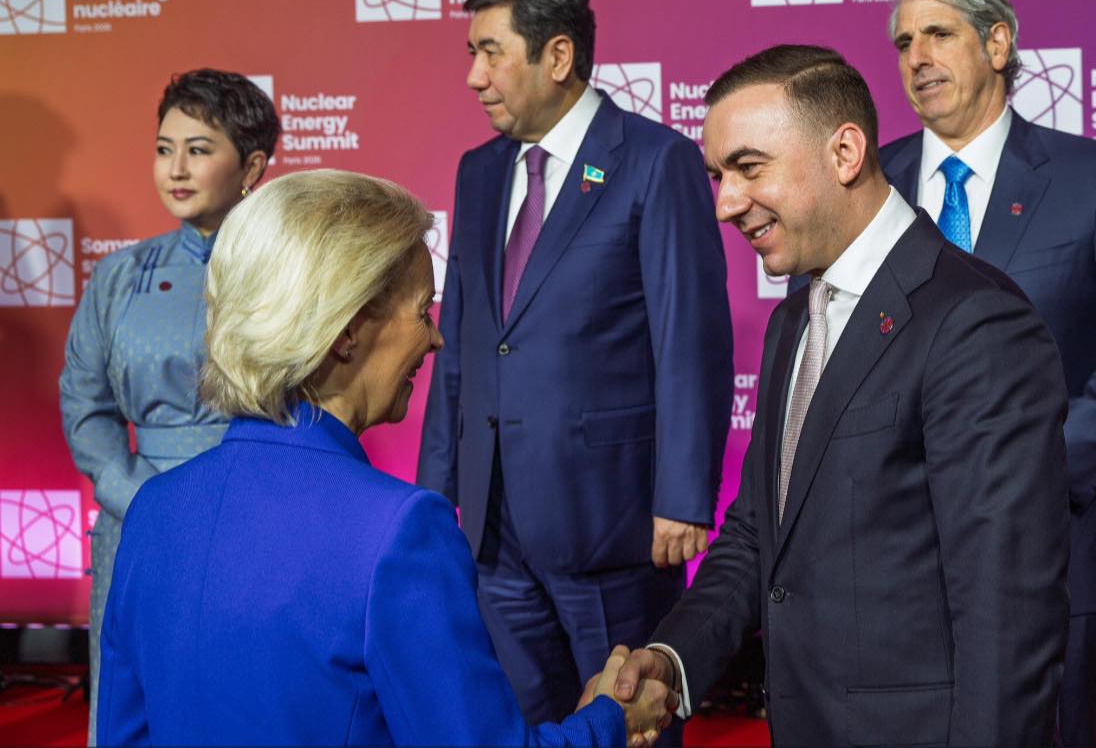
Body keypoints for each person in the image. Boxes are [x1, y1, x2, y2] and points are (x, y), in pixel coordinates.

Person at [96, 169, 676, 746]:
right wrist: (609, 722)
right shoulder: (399, 532)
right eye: (422, 311)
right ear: (348, 330)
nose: (436, 339)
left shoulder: (154, 510)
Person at [614, 45, 1072, 746]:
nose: (725, 204)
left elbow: (1006, 622)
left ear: (846, 152)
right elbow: (759, 531)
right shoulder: (793, 321)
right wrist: (674, 661)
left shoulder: (975, 322)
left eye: (748, 168)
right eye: (717, 177)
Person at [879, 0, 1096, 746]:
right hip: (897, 554)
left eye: (938, 34)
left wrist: (1040, 464)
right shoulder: (870, 185)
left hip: (1059, 548)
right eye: (903, 42)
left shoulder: (1095, 178)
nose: (917, 57)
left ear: (998, 44)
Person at [416, 0, 733, 733]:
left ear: (557, 56)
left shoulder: (654, 160)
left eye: (491, 53)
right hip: (492, 531)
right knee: (522, 727)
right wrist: (435, 493)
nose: (473, 77)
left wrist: (683, 497)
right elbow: (463, 344)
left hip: (611, 524)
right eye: (471, 54)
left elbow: (690, 337)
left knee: (631, 724)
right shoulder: (478, 171)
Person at [59, 68, 277, 744]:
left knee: (245, 703)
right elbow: (84, 401)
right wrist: (137, 495)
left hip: (252, 522)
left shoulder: (289, 272)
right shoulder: (120, 276)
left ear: (252, 167)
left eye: (199, 149)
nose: (175, 169)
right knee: (130, 708)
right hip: (136, 519)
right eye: (164, 149)